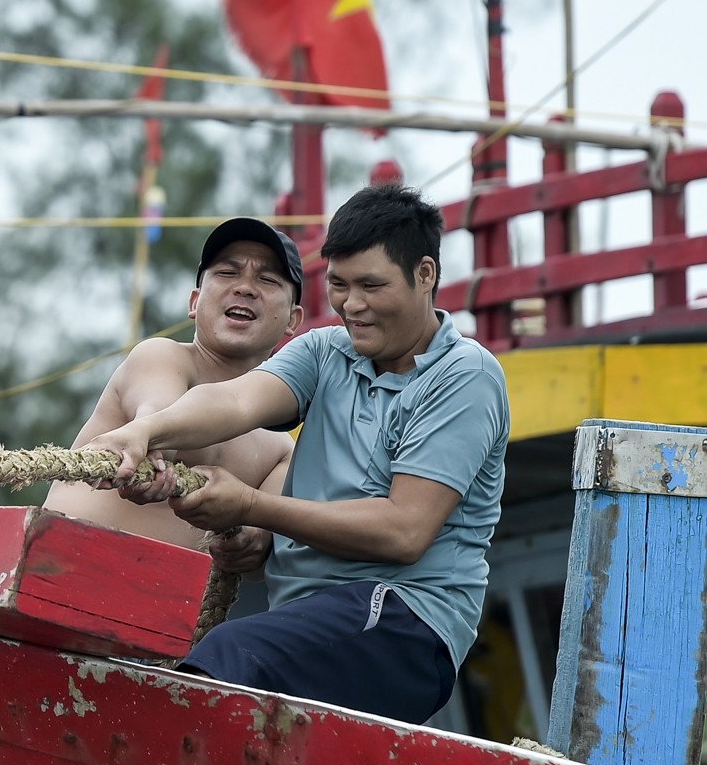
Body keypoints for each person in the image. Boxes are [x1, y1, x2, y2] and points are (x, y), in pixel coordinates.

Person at [87, 184, 509, 724]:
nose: (352, 304)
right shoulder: (323, 350)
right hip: (307, 624)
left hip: (403, 624)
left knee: (229, 656)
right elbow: (237, 399)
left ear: (425, 275)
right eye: (338, 284)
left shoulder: (465, 376)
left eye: (371, 285)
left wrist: (249, 509)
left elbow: (403, 532)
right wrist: (146, 431)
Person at [44, 217, 305, 573]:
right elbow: (158, 417)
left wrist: (248, 541)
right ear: (195, 301)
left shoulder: (280, 449)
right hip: (53, 569)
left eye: (267, 279)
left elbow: (259, 540)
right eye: (228, 273)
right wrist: (149, 446)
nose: (244, 288)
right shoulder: (161, 357)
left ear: (293, 320)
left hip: (163, 616)